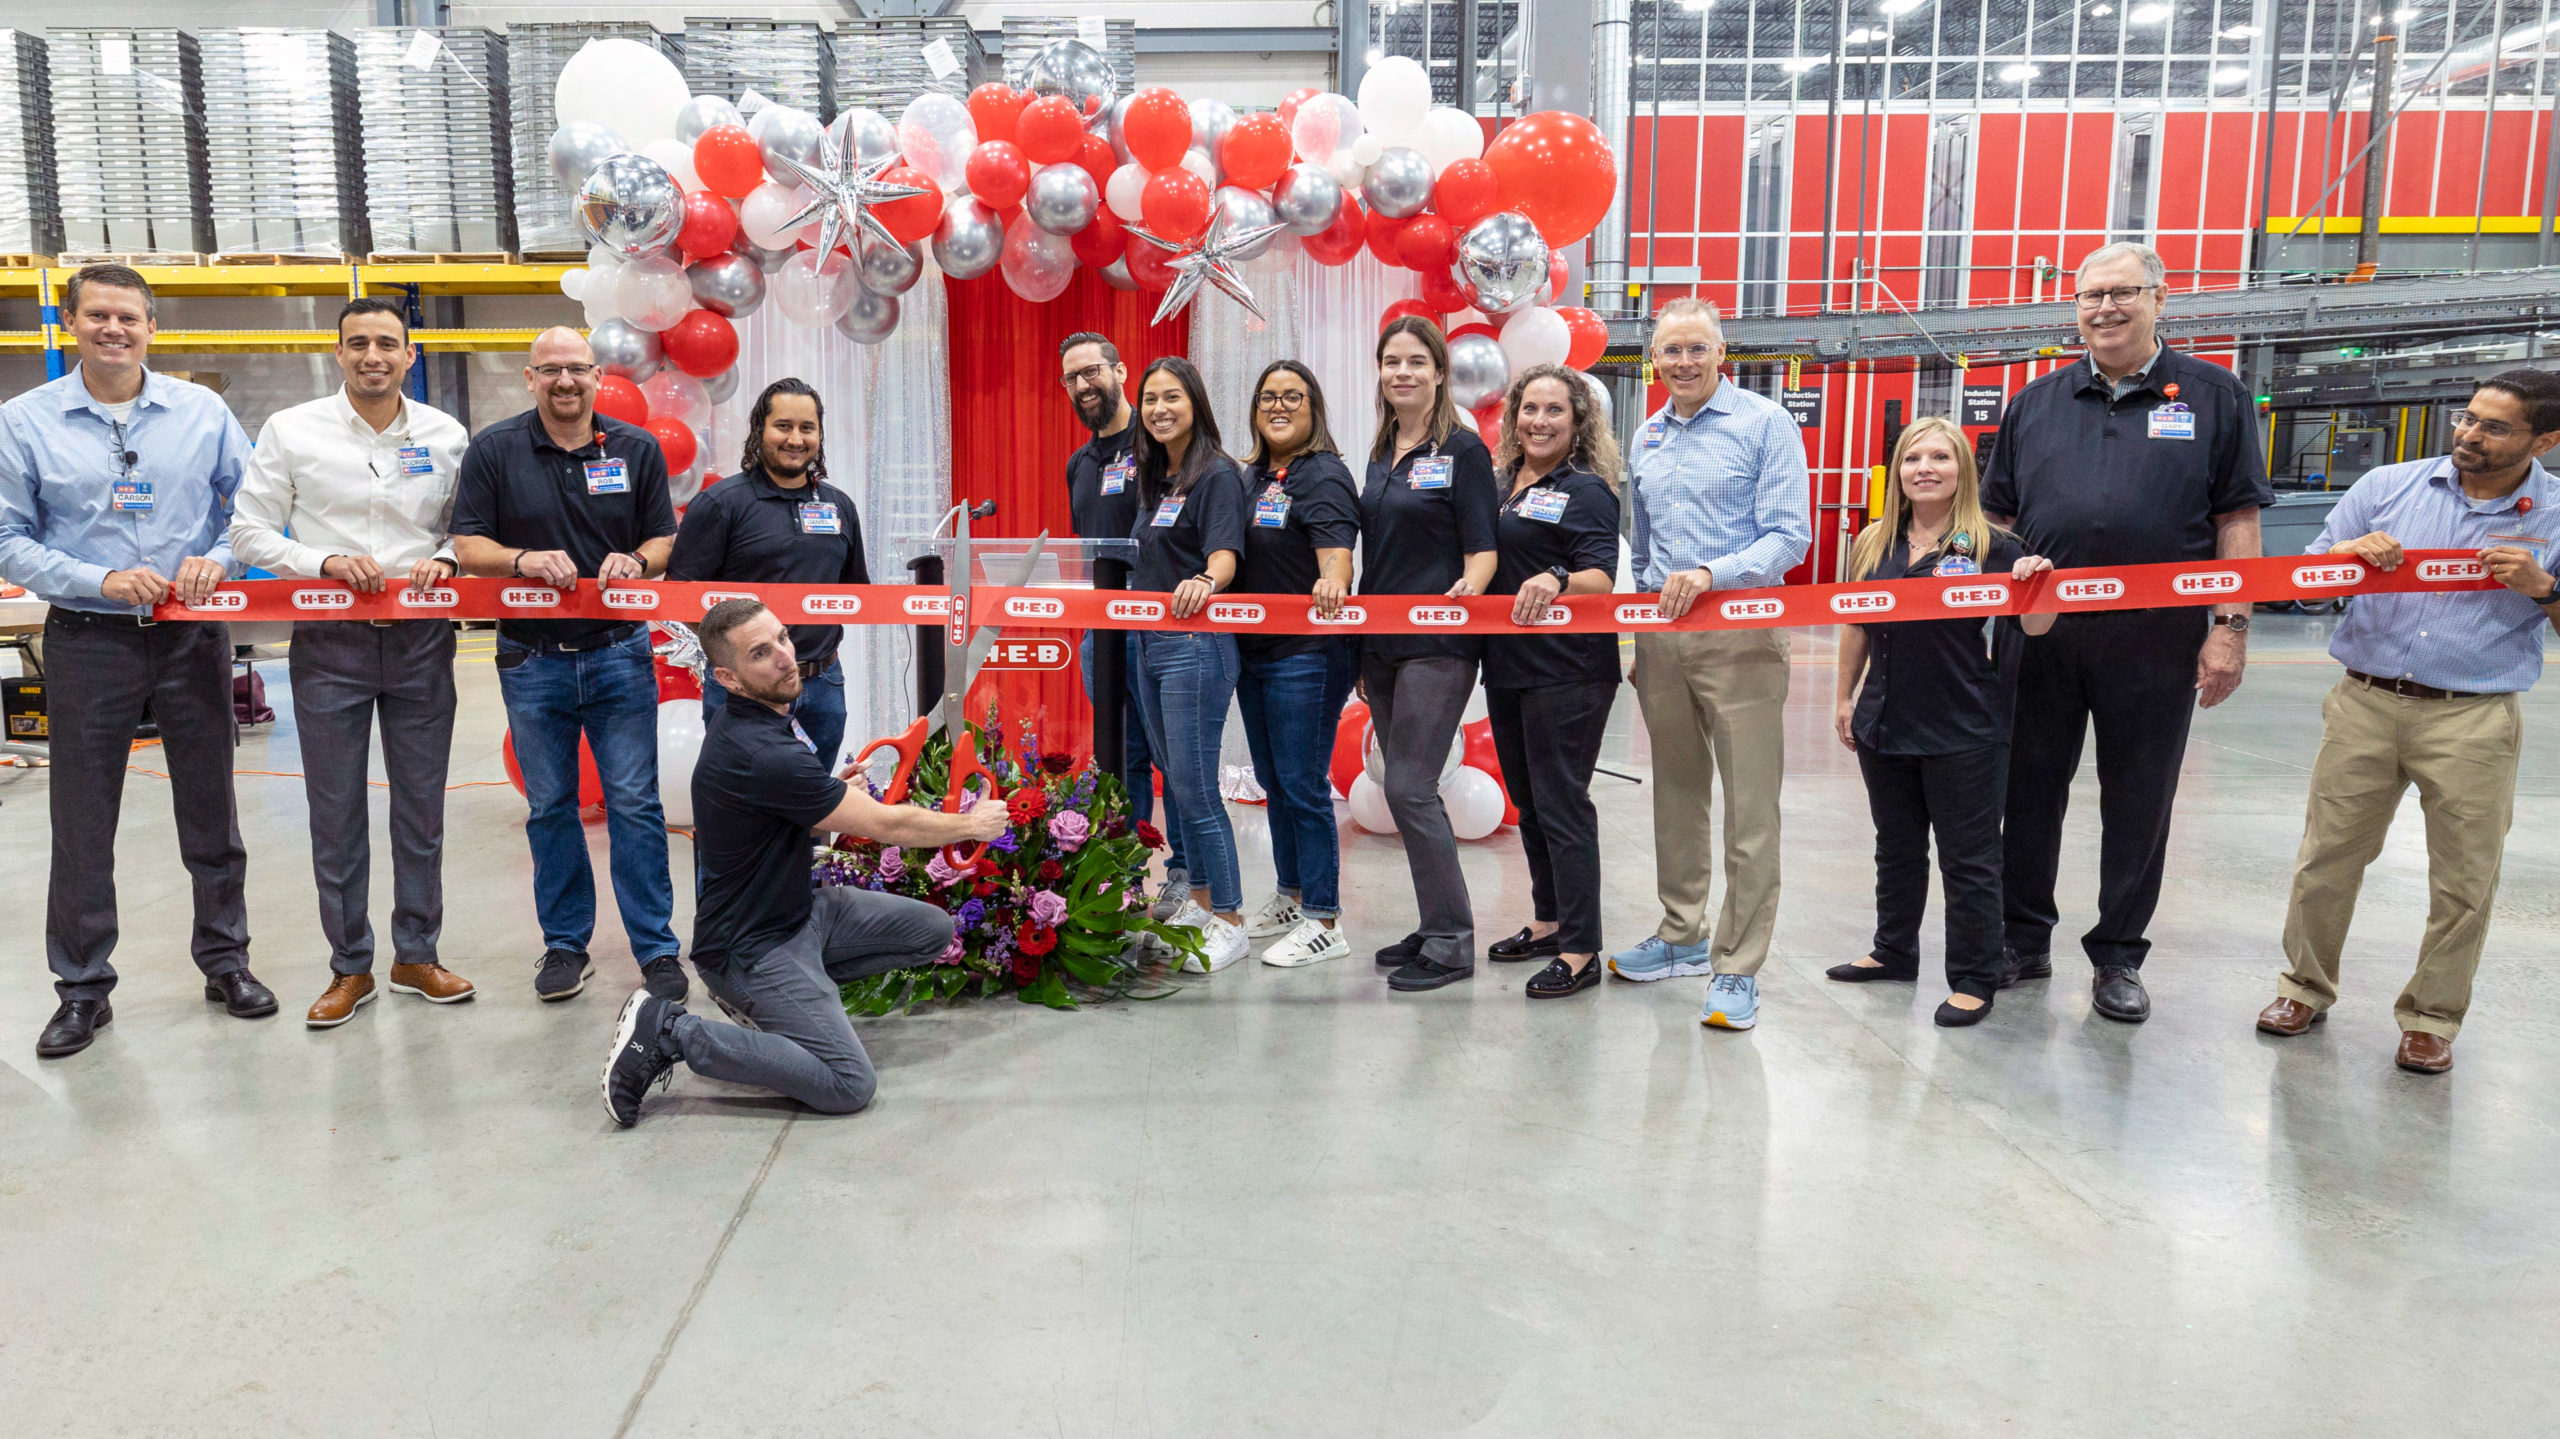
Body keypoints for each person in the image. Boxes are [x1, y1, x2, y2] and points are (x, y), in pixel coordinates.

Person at [1981, 240, 2273, 1024]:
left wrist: (2229, 630)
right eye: (2090, 296)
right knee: (2027, 789)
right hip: (2040, 633)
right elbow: (1997, 518)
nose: (2104, 308)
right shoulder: (2036, 401)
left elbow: (2237, 520)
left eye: (2122, 292)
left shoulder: (2214, 396)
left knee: (2139, 795)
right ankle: (2020, 937)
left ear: (2160, 297)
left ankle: (2117, 955)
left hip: (2156, 637)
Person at [0, 262, 272, 1058]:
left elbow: (252, 509)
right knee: (82, 820)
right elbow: (9, 537)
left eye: (129, 316)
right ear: (71, 323)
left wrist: (220, 559)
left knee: (211, 810)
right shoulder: (23, 421)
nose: (113, 329)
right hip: (89, 637)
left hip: (192, 637)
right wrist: (100, 579)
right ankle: (83, 988)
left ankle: (226, 961)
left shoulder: (203, 411)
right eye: (98, 316)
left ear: (152, 326)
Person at [2254, 371, 2560, 1075]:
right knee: (2327, 857)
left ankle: (2431, 1017)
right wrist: (2343, 559)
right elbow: (2301, 579)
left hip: (2473, 716)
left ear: (2544, 438)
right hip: (2364, 701)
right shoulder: (2388, 487)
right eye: (2468, 419)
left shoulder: (2554, 514)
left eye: (2494, 427)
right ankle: (2302, 987)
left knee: (2465, 878)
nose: (2469, 436)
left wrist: (2544, 587)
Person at [600, 598, 1006, 1126]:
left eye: (784, 639)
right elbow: (887, 826)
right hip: (749, 949)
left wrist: (829, 793)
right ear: (729, 677)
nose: (786, 658)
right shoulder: (762, 750)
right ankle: (670, 1030)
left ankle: (789, 1006)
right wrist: (971, 826)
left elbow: (789, 817)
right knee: (847, 1084)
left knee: (932, 930)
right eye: (761, 653)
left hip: (799, 915)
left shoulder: (765, 725)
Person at [229, 296, 477, 1028]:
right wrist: (323, 559)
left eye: (387, 344)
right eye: (358, 343)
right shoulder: (291, 430)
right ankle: (350, 967)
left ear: (411, 355)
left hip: (422, 642)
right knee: (334, 811)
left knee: (420, 808)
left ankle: (415, 954)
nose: (373, 355)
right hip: (328, 642)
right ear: (338, 353)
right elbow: (247, 532)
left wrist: (446, 556)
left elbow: (469, 527)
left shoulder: (447, 435)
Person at [450, 327, 684, 1006]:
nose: (564, 382)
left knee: (636, 805)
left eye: (577, 369)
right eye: (550, 370)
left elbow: (664, 538)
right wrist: (521, 559)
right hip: (531, 658)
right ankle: (564, 945)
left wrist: (635, 560)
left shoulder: (634, 449)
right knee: (550, 806)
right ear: (530, 378)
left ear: (596, 375)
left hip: (619, 652)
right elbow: (468, 544)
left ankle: (658, 950)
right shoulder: (495, 450)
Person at [1620, 297, 1811, 1033]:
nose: (1685, 362)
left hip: (1740, 633)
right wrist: (1640, 635)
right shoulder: (1647, 436)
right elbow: (1641, 549)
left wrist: (1711, 571)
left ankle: (1737, 966)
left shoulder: (1765, 424)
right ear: (1655, 360)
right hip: (1662, 638)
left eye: (1697, 348)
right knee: (1677, 792)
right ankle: (1681, 934)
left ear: (1721, 353)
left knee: (1750, 809)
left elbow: (1788, 536)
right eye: (1671, 350)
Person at [1827, 417, 2057, 1027]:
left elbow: (2035, 627)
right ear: (1897, 472)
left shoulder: (1993, 545)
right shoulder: (1874, 542)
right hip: (1885, 718)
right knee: (1896, 848)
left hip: (1965, 725)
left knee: (1970, 857)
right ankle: (1893, 951)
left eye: (1940, 458)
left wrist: (2041, 586)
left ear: (1964, 472)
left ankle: (1975, 976)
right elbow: (1855, 622)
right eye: (1912, 458)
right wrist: (1845, 697)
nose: (1924, 468)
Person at [1359, 316, 1500, 993]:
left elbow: (1483, 549)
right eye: (1392, 361)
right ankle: (1434, 919)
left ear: (1440, 371)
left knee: (1410, 784)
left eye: (1417, 361)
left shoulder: (1463, 449)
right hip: (1380, 643)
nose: (1403, 372)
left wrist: (1466, 591)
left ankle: (1451, 940)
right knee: (1405, 785)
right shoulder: (1383, 448)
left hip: (1438, 643)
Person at [1482, 366, 1623, 1000]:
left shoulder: (1586, 489)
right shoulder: (1504, 485)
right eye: (1529, 409)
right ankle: (1548, 922)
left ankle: (1582, 947)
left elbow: (1601, 574)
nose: (1539, 421)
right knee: (1531, 805)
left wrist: (1558, 578)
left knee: (1563, 806)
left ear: (1577, 422)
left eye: (1554, 411)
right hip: (1510, 667)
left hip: (1568, 672)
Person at [667, 377, 868, 769]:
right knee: (743, 806)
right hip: (743, 690)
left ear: (819, 436)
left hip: (822, 683)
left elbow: (855, 592)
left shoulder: (839, 505)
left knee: (817, 810)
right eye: (783, 426)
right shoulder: (721, 503)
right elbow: (681, 594)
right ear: (760, 430)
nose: (796, 439)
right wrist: (739, 659)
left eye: (807, 428)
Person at [1232, 360, 1361, 968]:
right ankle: (1291, 895)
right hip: (1254, 653)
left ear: (1314, 408)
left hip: (1307, 656)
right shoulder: (1255, 475)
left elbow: (1338, 559)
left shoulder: (1324, 474)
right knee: (1274, 781)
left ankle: (1325, 917)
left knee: (1304, 785)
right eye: (1268, 397)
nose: (1279, 406)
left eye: (1293, 396)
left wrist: (1333, 583)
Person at [1125, 356, 1251, 972]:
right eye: (1149, 400)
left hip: (1195, 646)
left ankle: (1230, 915)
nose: (1158, 410)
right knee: (1175, 783)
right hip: (1147, 641)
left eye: (1171, 397)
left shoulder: (1216, 474)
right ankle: (1199, 902)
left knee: (1199, 788)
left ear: (1195, 402)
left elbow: (1225, 554)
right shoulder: (1158, 478)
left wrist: (1207, 579)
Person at [1058, 332, 1162, 850]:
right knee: (1123, 757)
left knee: (1173, 759)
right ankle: (1127, 872)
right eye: (1072, 378)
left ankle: (1188, 877)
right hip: (1101, 634)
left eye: (1092, 371)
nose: (1083, 385)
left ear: (1121, 372)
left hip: (1158, 630)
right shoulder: (1079, 464)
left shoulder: (1156, 446)